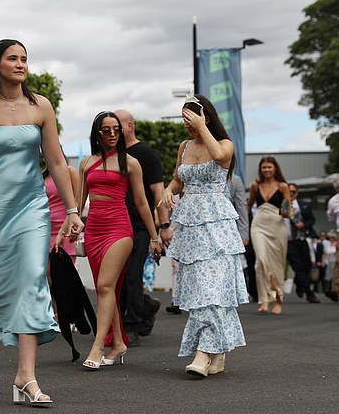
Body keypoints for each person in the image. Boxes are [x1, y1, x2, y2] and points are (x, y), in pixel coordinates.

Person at [0, 39, 83, 406]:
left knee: (32, 279)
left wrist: (73, 211)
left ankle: (26, 376)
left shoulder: (41, 105)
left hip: (32, 208)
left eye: (25, 58)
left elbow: (56, 162)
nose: (21, 63)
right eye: (13, 58)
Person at [61, 111, 161, 370]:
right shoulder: (86, 163)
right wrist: (70, 225)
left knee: (105, 286)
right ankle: (118, 343)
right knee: (109, 290)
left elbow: (141, 202)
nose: (112, 134)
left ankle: (98, 346)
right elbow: (79, 201)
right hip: (94, 230)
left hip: (120, 229)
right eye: (106, 130)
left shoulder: (131, 163)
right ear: (97, 133)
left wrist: (154, 236)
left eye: (116, 129)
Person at [161, 94, 247, 378]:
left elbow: (222, 158)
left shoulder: (224, 144)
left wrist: (202, 127)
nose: (186, 123)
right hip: (190, 227)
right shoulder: (184, 146)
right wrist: (168, 190)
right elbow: (178, 179)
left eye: (191, 117)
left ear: (205, 116)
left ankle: (202, 352)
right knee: (201, 291)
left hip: (218, 227)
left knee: (212, 291)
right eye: (184, 118)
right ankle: (217, 351)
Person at [115, 109, 169, 346]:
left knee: (133, 275)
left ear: (130, 126)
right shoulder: (111, 154)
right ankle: (147, 305)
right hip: (116, 224)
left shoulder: (146, 154)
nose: (113, 130)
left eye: (118, 125)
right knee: (120, 275)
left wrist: (162, 225)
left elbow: (158, 191)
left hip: (139, 225)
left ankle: (133, 324)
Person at [247, 157, 290, 314]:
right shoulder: (255, 185)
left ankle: (278, 299)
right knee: (261, 262)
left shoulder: (283, 186)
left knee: (277, 264)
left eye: (269, 167)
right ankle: (264, 299)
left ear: (275, 168)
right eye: (264, 167)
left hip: (277, 226)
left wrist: (286, 212)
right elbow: (248, 206)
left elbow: (288, 210)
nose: (266, 170)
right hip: (258, 225)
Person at [286, 183, 320, 303]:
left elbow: (312, 219)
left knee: (307, 265)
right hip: (288, 241)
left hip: (302, 238)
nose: (290, 194)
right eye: (288, 191)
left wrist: (304, 225)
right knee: (298, 266)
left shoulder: (303, 205)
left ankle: (299, 283)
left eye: (293, 192)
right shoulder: (283, 204)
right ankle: (309, 293)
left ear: (297, 193)